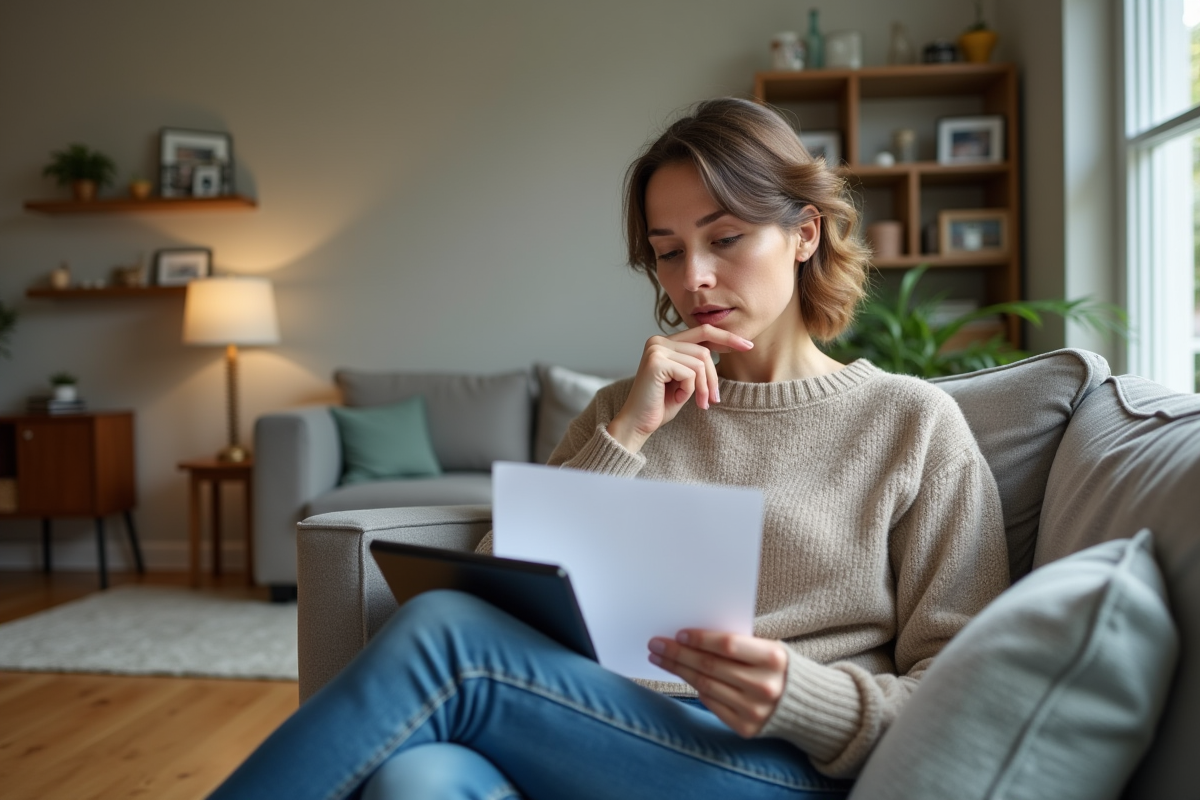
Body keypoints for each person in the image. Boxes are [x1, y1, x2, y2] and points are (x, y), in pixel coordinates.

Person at [210, 98, 1009, 800]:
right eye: (667, 251)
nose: (693, 277)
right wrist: (625, 436)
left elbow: (972, 696)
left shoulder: (912, 423)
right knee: (416, 780)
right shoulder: (618, 413)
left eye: (725, 238)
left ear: (804, 234)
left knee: (444, 634)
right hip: (602, 735)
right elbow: (502, 592)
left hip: (785, 762)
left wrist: (802, 695)